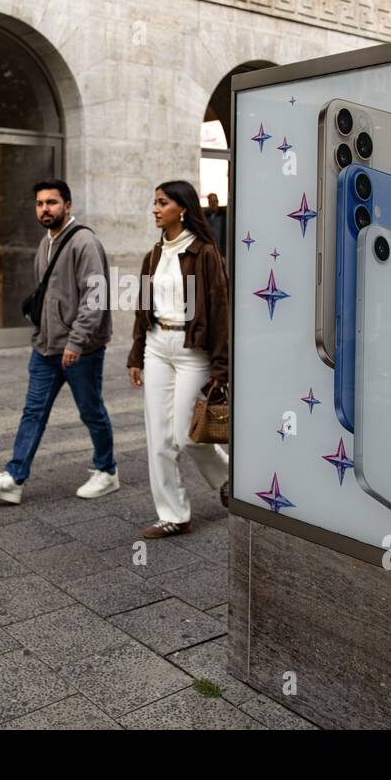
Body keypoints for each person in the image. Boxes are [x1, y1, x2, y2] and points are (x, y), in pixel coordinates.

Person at [0, 179, 119, 504]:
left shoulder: (84, 243)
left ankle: (107, 471)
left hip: (81, 350)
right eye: (39, 204)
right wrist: (40, 335)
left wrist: (76, 342)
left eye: (51, 203)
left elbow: (95, 297)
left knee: (90, 410)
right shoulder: (45, 243)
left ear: (67, 205)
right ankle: (14, 477)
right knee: (33, 412)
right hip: (45, 347)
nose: (45, 209)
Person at [129, 180, 230, 539]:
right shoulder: (153, 255)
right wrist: (136, 354)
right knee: (158, 436)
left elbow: (220, 309)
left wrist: (222, 367)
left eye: (162, 203)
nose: (155, 209)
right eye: (154, 202)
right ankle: (173, 515)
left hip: (192, 351)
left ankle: (227, 477)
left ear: (182, 208)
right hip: (157, 346)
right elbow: (143, 308)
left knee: (186, 435)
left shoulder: (204, 253)